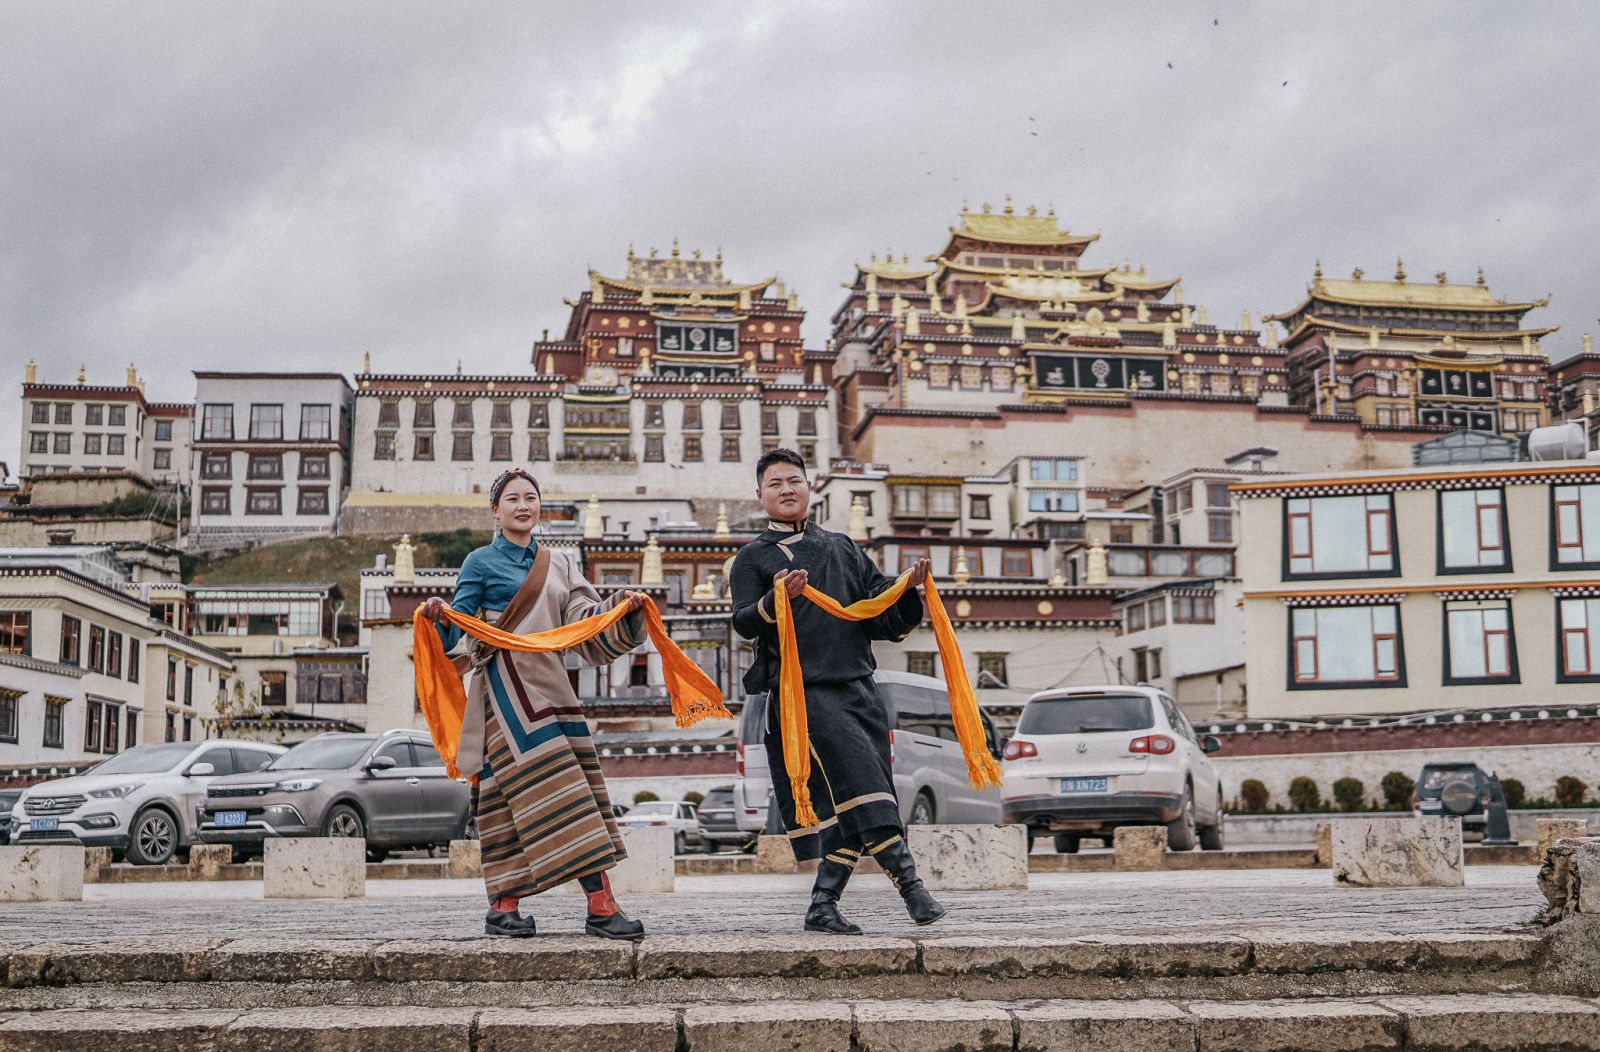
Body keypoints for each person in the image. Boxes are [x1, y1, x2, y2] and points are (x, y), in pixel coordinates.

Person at [421, 468, 649, 940]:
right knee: (545, 793)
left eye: (531, 497)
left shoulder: (561, 564)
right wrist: (436, 617)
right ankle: (593, 905)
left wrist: (621, 608)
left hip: (552, 688)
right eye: (513, 499)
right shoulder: (478, 562)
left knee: (556, 792)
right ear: (495, 510)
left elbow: (583, 622)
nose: (523, 506)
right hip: (503, 693)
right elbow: (459, 627)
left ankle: (515, 906)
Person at [729, 448, 946, 934]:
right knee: (866, 790)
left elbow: (882, 619)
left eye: (795, 480)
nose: (787, 489)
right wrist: (774, 599)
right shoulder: (753, 557)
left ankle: (822, 905)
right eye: (775, 483)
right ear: (760, 494)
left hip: (859, 690)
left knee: (852, 800)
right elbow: (744, 621)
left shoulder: (844, 548)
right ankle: (912, 889)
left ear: (810, 487)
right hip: (802, 695)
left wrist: (907, 593)